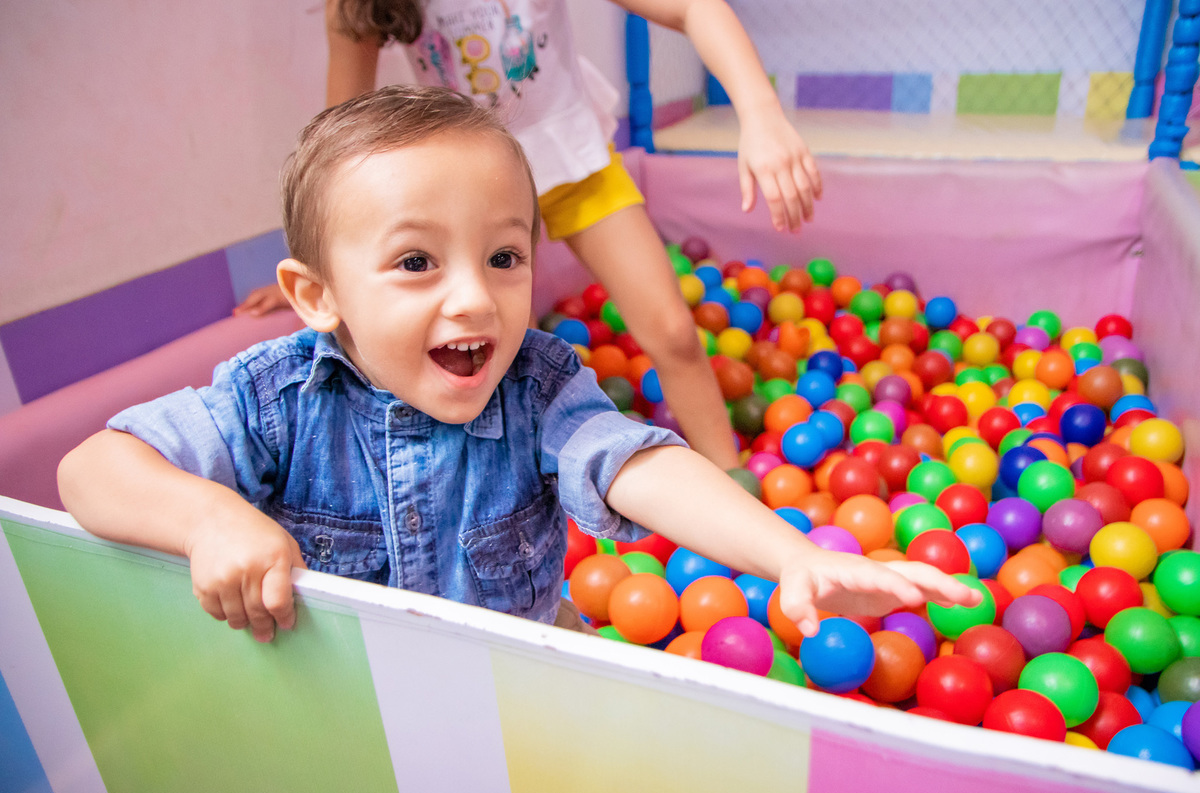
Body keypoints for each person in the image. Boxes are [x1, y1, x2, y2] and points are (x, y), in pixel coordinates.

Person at [59, 86, 974, 646]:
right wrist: (209, 520)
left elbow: (637, 464)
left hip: (517, 676)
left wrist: (791, 556)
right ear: (317, 295)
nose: (474, 299)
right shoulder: (276, 399)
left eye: (504, 257)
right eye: (416, 262)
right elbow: (90, 469)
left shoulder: (536, 387)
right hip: (348, 699)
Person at [235, 0, 824, 471]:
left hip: (573, 159)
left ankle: (726, 480)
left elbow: (692, 7)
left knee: (671, 329)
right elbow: (341, 146)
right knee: (481, 354)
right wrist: (321, 264)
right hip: (465, 193)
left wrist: (761, 113)